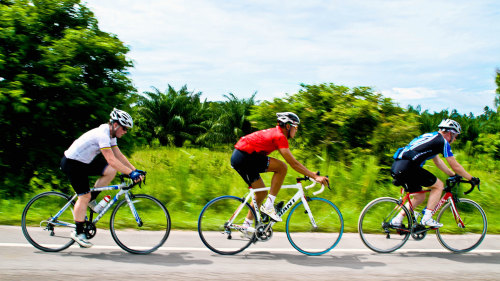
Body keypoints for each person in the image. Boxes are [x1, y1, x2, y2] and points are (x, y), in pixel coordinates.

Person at [231, 112, 329, 233]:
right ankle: (269, 206)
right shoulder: (280, 136)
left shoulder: (277, 134)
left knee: (261, 193)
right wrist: (314, 176)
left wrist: (311, 174)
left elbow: (295, 164)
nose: (296, 130)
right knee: (282, 167)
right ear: (288, 126)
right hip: (244, 157)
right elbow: (293, 164)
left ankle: (246, 226)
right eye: (296, 127)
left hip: (243, 156)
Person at [60, 108, 144, 248]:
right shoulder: (102, 134)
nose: (125, 132)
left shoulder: (111, 135)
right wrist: (130, 173)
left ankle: (92, 199)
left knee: (110, 171)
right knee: (83, 197)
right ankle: (78, 232)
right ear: (116, 125)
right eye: (124, 128)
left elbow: (119, 156)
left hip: (83, 162)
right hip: (72, 163)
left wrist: (135, 170)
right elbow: (111, 160)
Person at [390, 119, 480, 228]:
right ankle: (427, 218)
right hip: (409, 167)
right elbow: (455, 165)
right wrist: (471, 178)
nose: (455, 139)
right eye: (455, 136)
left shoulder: (431, 137)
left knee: (420, 196)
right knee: (439, 186)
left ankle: (396, 221)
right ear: (450, 133)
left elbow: (437, 161)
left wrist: (452, 174)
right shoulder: (442, 142)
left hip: (398, 166)